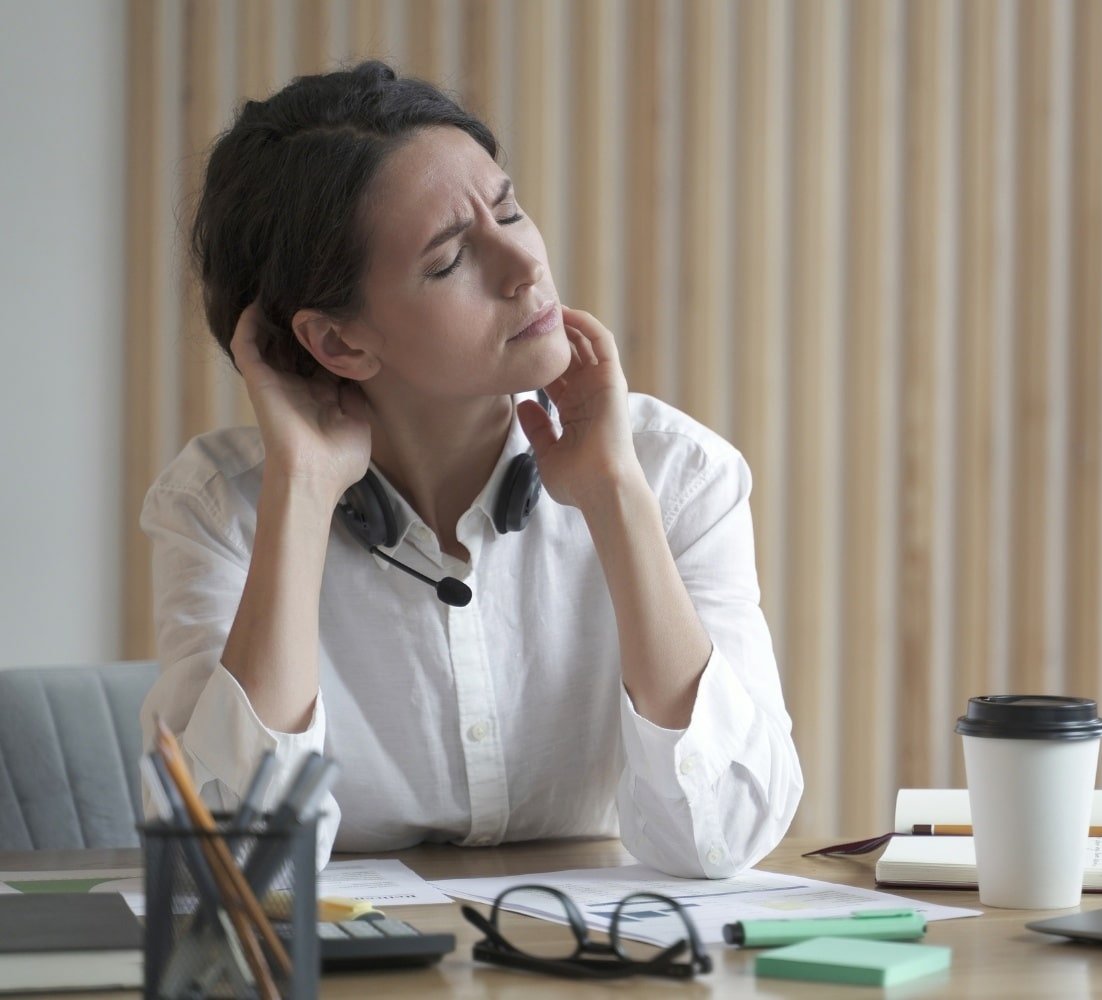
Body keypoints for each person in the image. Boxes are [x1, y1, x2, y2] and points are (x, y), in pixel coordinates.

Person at [139, 61, 802, 877]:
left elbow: (723, 839)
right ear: (341, 342)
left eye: (510, 211)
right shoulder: (219, 506)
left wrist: (615, 497)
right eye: (450, 261)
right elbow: (234, 867)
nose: (524, 267)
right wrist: (304, 495)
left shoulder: (678, 472)